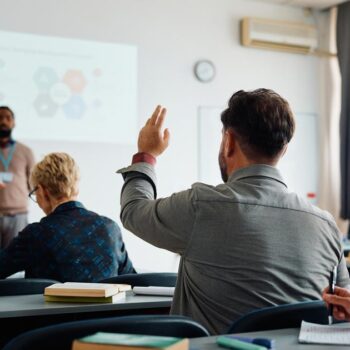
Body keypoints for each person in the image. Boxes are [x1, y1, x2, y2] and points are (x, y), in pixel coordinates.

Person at [118, 89, 350, 335]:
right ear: (283, 149)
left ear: (228, 141)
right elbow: (341, 309)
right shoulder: (326, 225)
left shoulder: (202, 207)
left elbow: (133, 210)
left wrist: (147, 154)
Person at [0, 152, 134, 281]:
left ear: (41, 191)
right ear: (76, 186)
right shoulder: (110, 228)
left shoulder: (36, 234)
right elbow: (132, 279)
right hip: (105, 305)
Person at [0, 106, 35, 248]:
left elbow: (34, 183)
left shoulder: (25, 151)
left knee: (15, 260)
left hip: (18, 215)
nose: (3, 121)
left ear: (13, 123)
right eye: (0, 117)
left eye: (8, 118)